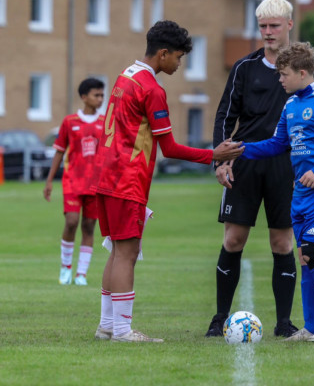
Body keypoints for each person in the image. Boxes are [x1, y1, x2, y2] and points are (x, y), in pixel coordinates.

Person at [92, 20, 244, 343]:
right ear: (163, 54)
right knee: (127, 253)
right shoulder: (151, 88)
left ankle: (107, 325)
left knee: (117, 250)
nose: (179, 64)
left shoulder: (125, 76)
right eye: (178, 57)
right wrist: (213, 155)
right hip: (126, 180)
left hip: (105, 175)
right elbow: (170, 148)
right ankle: (122, 331)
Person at [206, 0, 314, 338]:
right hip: (246, 162)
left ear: (289, 24)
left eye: (274, 25)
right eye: (263, 26)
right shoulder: (245, 67)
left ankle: (284, 323)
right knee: (234, 239)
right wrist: (221, 160)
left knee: (283, 243)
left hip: (288, 168)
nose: (268, 32)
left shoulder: (307, 68)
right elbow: (225, 116)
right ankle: (220, 317)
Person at [241, 41, 314, 342]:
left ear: (303, 72)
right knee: (305, 257)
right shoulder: (290, 105)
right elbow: (277, 144)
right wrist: (240, 149)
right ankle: (310, 326)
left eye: (283, 74)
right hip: (301, 193)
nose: (279, 80)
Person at [43, 78, 105, 286]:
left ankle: (81, 274)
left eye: (102, 95)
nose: (100, 99)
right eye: (96, 95)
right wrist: (49, 181)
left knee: (89, 226)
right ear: (84, 97)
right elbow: (60, 151)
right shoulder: (70, 122)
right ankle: (65, 268)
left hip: (96, 184)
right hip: (72, 182)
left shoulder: (105, 123)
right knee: (71, 222)